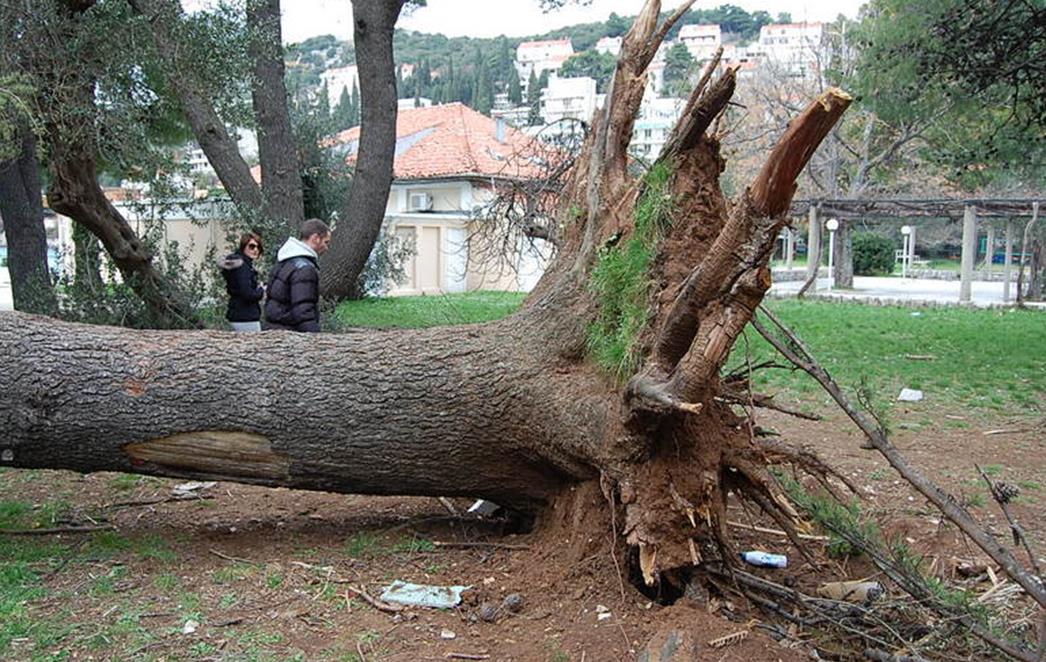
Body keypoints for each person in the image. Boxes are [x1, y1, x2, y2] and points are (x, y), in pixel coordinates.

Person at [264, 218, 331, 333]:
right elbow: (303, 310)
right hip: (290, 333)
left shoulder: (284, 261)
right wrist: (315, 338)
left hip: (273, 329)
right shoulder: (305, 269)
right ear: (315, 238)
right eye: (326, 242)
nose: (326, 248)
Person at [218, 232, 265, 332]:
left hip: (238, 315)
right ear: (243, 247)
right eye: (252, 246)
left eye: (258, 247)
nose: (256, 250)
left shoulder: (239, 265)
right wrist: (261, 291)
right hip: (246, 318)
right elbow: (247, 293)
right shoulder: (243, 267)